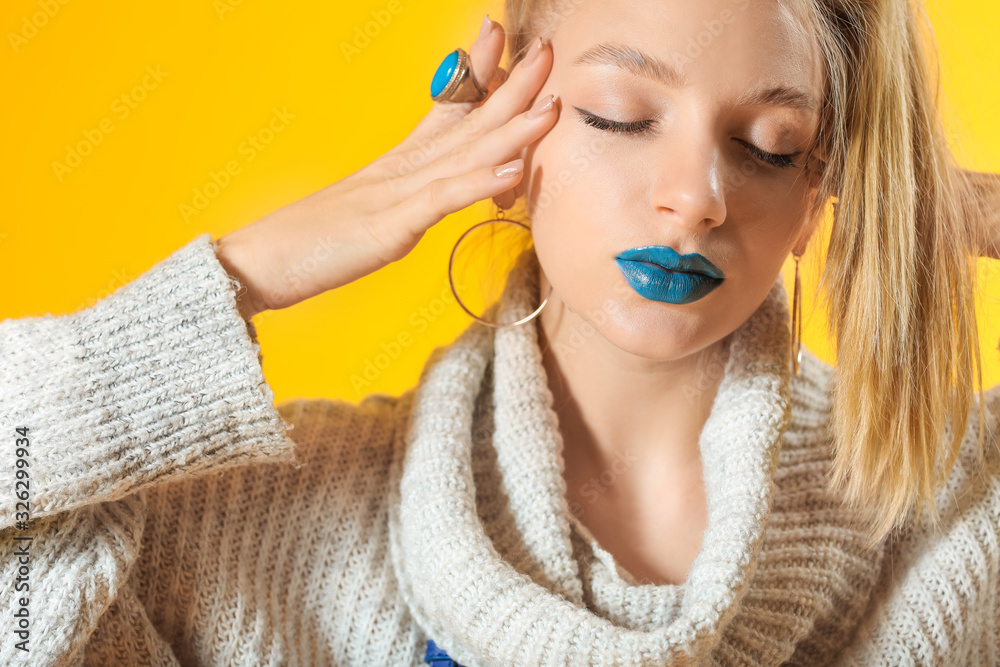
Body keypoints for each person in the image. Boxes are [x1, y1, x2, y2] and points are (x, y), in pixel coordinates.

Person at [2, 0, 1000, 664]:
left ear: (821, 181)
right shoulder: (275, 525)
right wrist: (255, 265)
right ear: (506, 128)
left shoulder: (944, 510)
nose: (694, 200)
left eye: (765, 146)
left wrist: (959, 209)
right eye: (617, 114)